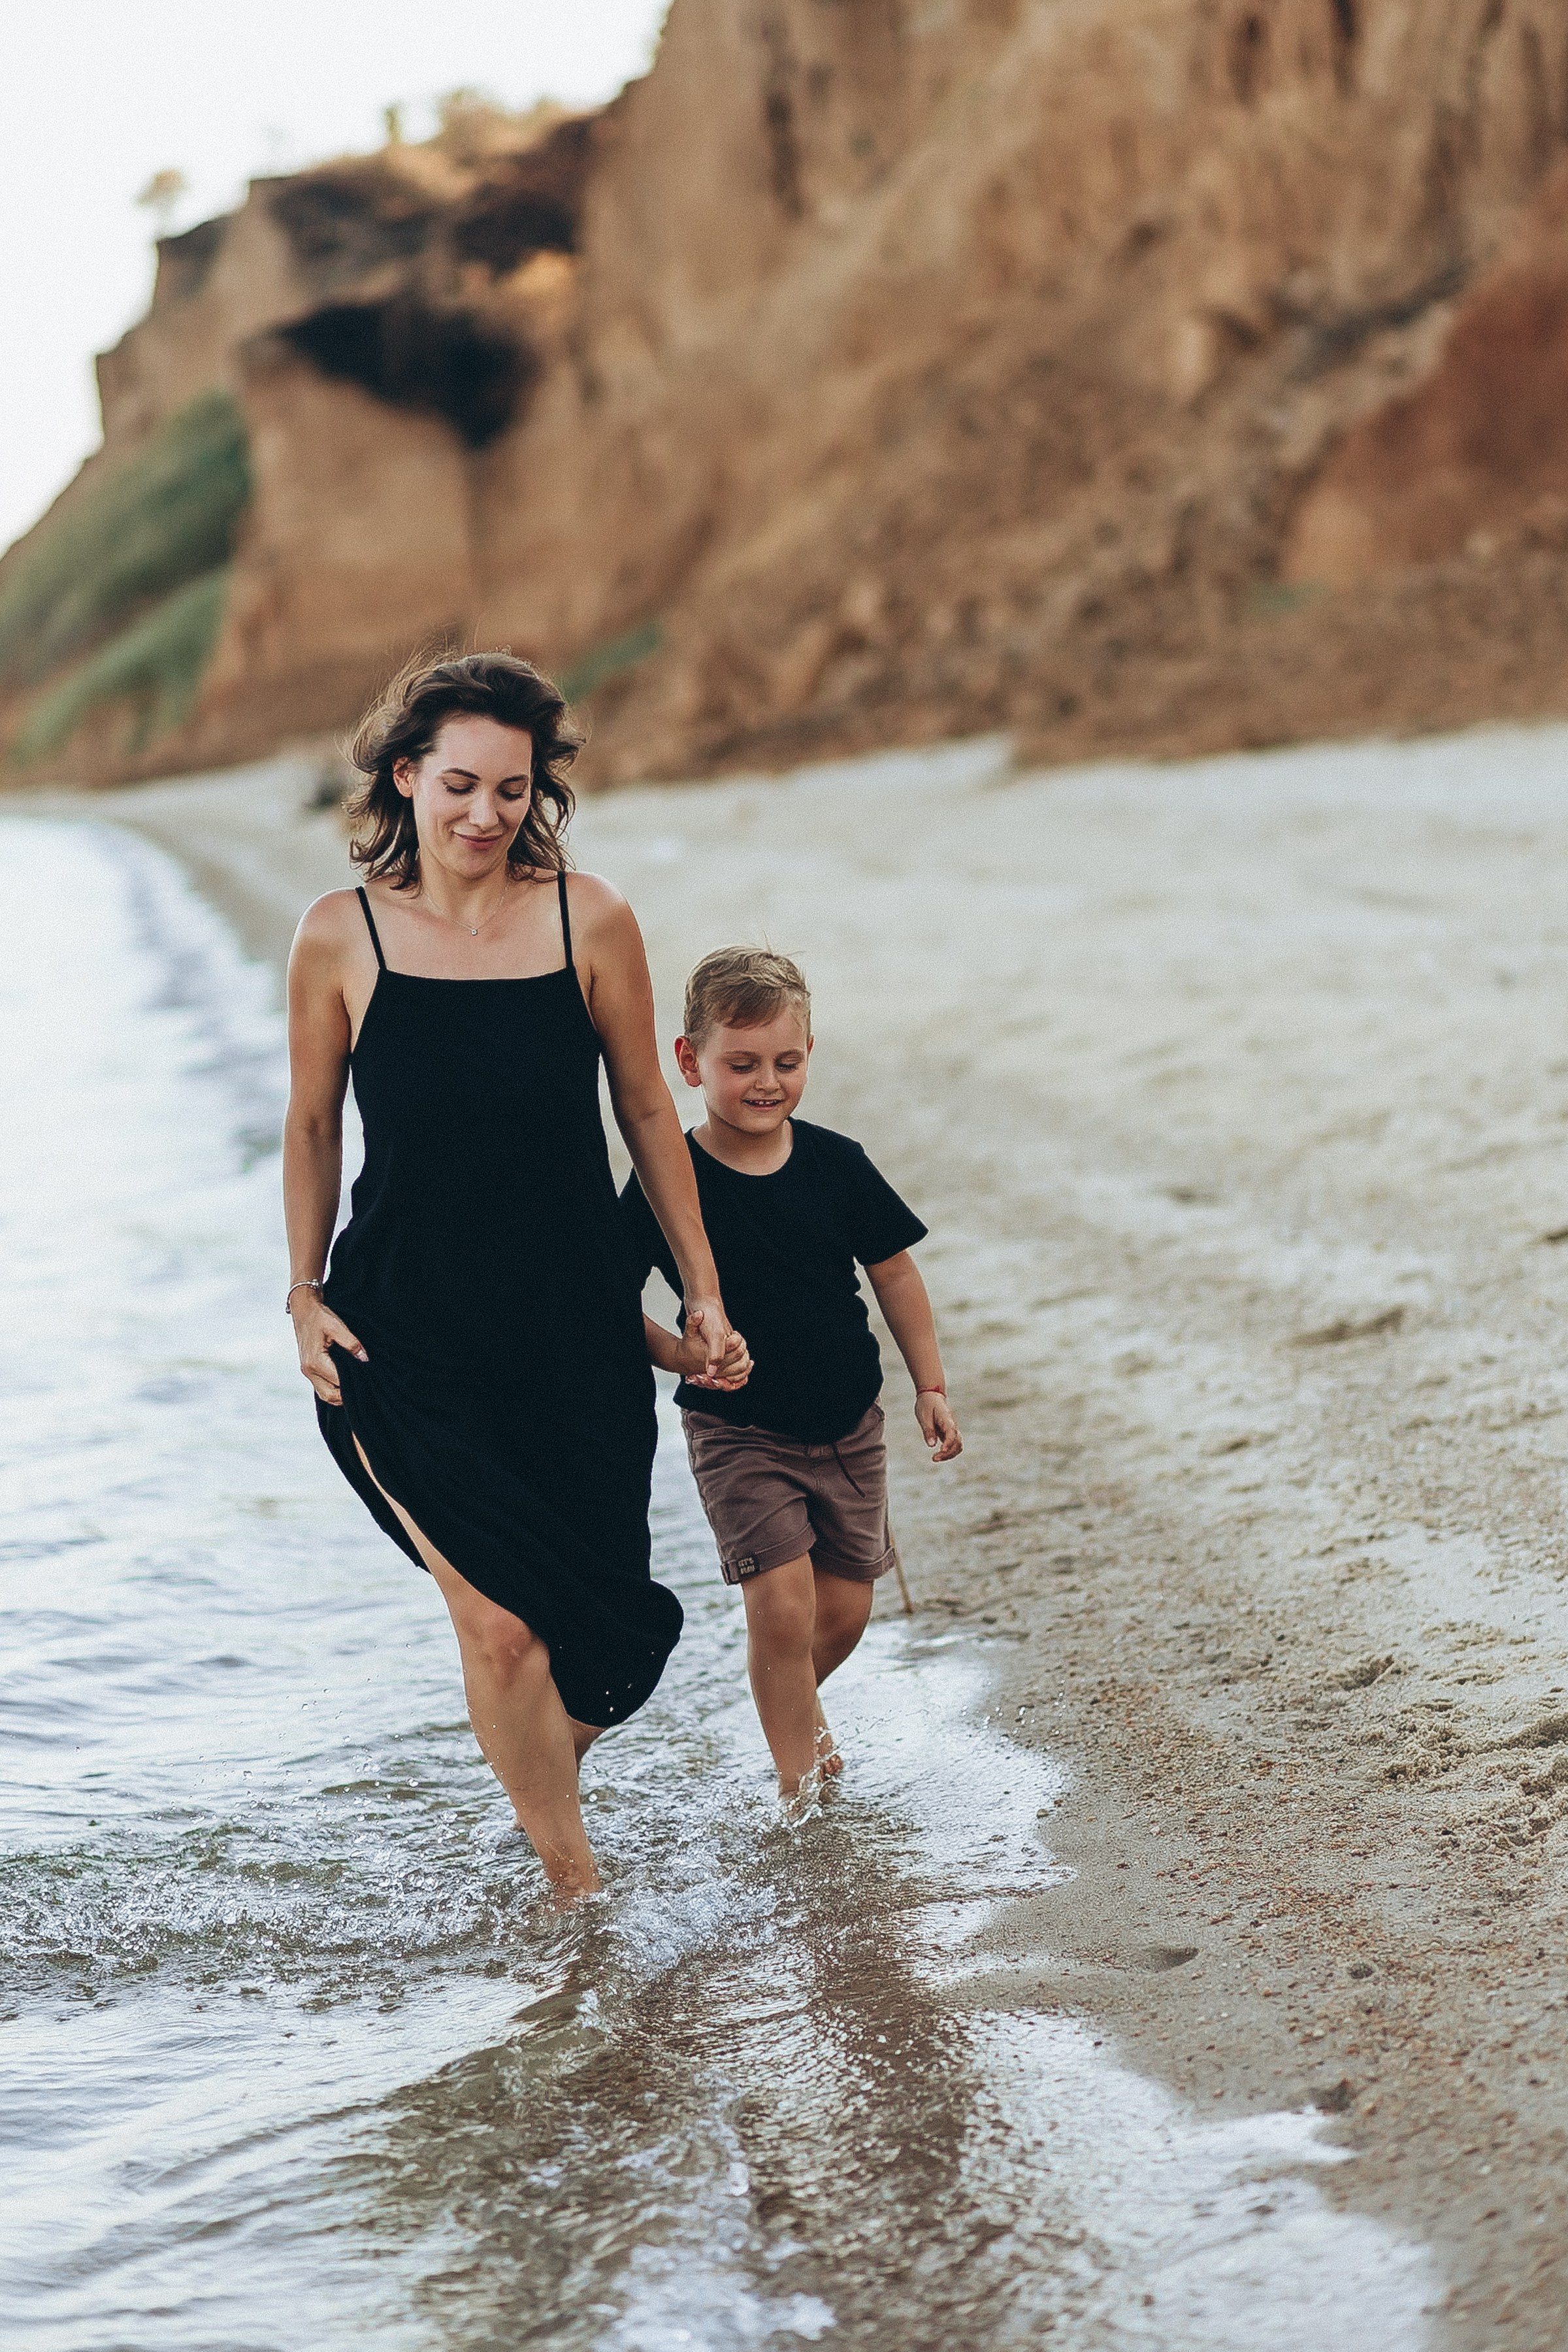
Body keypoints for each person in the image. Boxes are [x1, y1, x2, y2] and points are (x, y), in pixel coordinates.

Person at [282, 652, 747, 1902]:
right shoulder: (339, 934)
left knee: (610, 1642)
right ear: (405, 777)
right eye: (460, 785)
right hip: (401, 1336)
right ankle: (574, 1899)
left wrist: (701, 1289)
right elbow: (313, 1127)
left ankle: (535, 1787)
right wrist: (303, 1293)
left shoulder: (588, 918)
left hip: (572, 1332)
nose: (486, 813)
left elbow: (647, 1111)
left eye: (512, 788)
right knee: (498, 1628)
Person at [621, 947, 962, 1808]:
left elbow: (894, 1273)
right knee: (780, 1606)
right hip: (737, 1430)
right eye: (741, 1065)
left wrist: (929, 1385)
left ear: (810, 1053)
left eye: (786, 1062)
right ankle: (797, 1791)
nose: (766, 1083)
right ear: (690, 1061)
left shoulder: (837, 1163)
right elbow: (606, 1302)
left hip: (849, 1421)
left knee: (842, 1613)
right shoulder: (669, 1183)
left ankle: (791, 1707)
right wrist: (681, 1355)